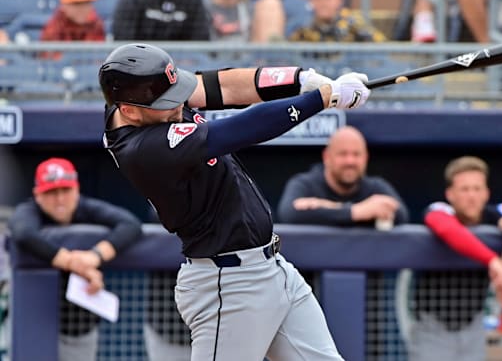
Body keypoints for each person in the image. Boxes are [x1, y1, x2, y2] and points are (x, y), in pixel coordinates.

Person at [100, 42, 372, 360]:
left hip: (273, 268)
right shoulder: (144, 149)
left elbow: (222, 86)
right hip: (228, 283)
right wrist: (322, 98)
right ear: (128, 110)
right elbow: (242, 128)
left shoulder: (143, 101)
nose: (178, 105)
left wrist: (300, 79)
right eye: (167, 102)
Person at [8, 157, 143, 361]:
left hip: (79, 326)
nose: (60, 199)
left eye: (65, 190)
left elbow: (131, 224)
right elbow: (23, 233)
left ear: (76, 189)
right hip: (33, 321)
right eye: (51, 192)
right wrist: (75, 264)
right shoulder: (29, 211)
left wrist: (94, 257)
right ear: (37, 195)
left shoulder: (86, 208)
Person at [406, 156, 502, 360]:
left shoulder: (493, 214)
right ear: (450, 194)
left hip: (472, 326)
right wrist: (492, 260)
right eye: (465, 190)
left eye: (477, 189)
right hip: (432, 328)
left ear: (486, 193)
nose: (472, 196)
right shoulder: (440, 209)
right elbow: (445, 227)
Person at [276, 126, 408, 227]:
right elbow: (289, 214)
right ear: (327, 157)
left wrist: (324, 206)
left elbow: (401, 215)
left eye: (356, 154)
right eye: (343, 154)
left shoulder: (376, 187)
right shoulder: (304, 183)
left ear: (365, 158)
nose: (350, 161)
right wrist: (357, 211)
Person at [289, 0, 386, 42]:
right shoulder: (304, 28)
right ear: (311, 1)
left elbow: (382, 45)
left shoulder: (353, 23)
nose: (323, 2)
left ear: (339, 0)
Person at [40, 0, 105, 59]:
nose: (82, 9)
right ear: (64, 4)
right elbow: (50, 61)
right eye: (76, 4)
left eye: (87, 3)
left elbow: (97, 59)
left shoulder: (96, 25)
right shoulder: (54, 26)